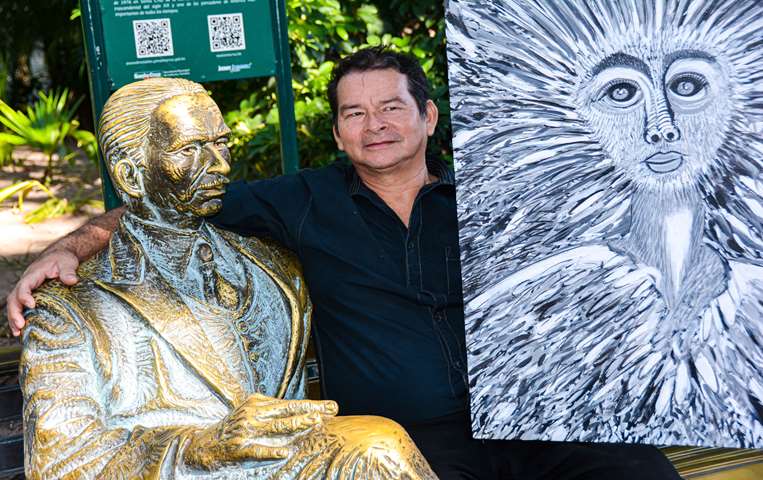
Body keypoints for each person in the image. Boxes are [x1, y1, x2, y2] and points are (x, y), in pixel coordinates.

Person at [7, 47, 681, 479]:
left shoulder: (496, 195)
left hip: (532, 422)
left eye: (391, 107)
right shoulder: (298, 204)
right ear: (335, 132)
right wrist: (71, 244)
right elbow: (150, 208)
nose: (374, 125)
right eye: (353, 113)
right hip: (421, 441)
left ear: (427, 116)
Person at [19, 77, 435, 479]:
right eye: (193, 149)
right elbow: (60, 462)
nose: (219, 165)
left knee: (378, 447)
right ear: (130, 174)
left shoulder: (274, 272)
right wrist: (200, 446)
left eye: (222, 144)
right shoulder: (71, 306)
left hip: (287, 466)